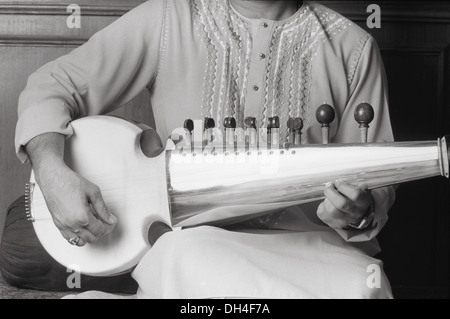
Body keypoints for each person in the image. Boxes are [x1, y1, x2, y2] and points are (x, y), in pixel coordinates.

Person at [1, 0, 396, 298]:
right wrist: (51, 170)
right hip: (195, 245)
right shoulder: (170, 19)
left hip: (316, 251)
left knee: (360, 287)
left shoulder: (353, 48)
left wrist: (358, 211)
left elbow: (376, 187)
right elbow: (51, 85)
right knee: (195, 265)